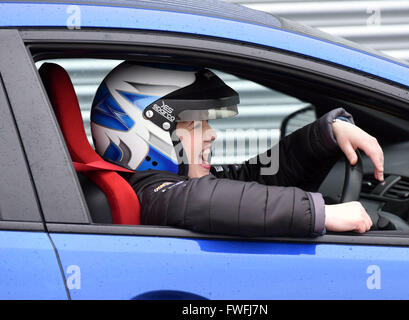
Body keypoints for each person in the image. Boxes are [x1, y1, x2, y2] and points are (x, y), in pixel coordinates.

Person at [90, 61, 384, 237]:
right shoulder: (154, 194)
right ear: (146, 131)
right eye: (195, 125)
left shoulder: (180, 183)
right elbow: (203, 200)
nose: (211, 135)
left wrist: (324, 135)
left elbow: (249, 180)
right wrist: (322, 214)